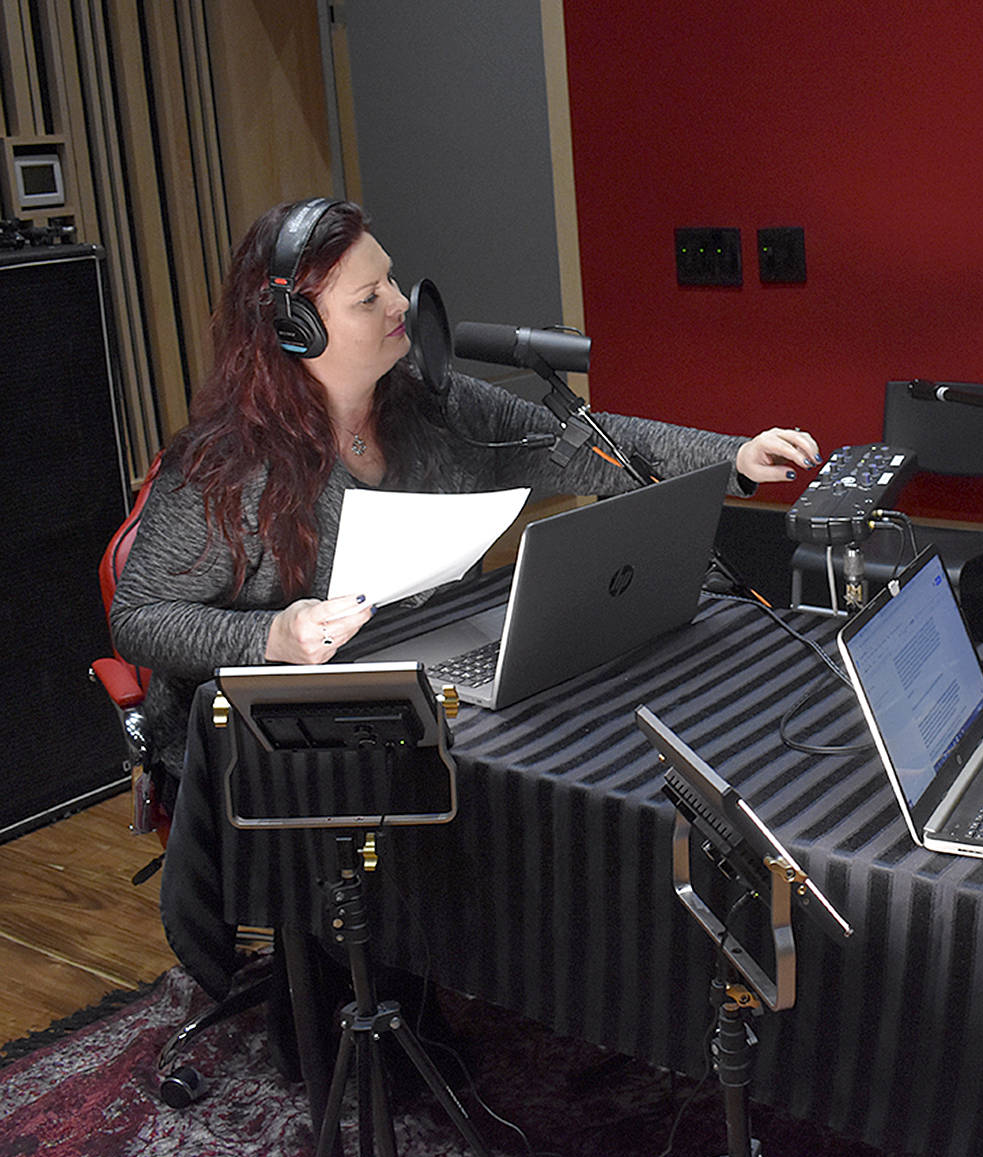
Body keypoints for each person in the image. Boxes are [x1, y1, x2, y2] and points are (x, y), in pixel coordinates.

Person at [110, 198, 819, 800]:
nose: (400, 304)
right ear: (297, 330)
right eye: (368, 298)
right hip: (272, 744)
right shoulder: (226, 464)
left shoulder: (430, 402)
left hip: (415, 698)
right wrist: (270, 636)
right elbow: (139, 619)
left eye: (390, 279)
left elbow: (575, 444)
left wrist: (734, 458)